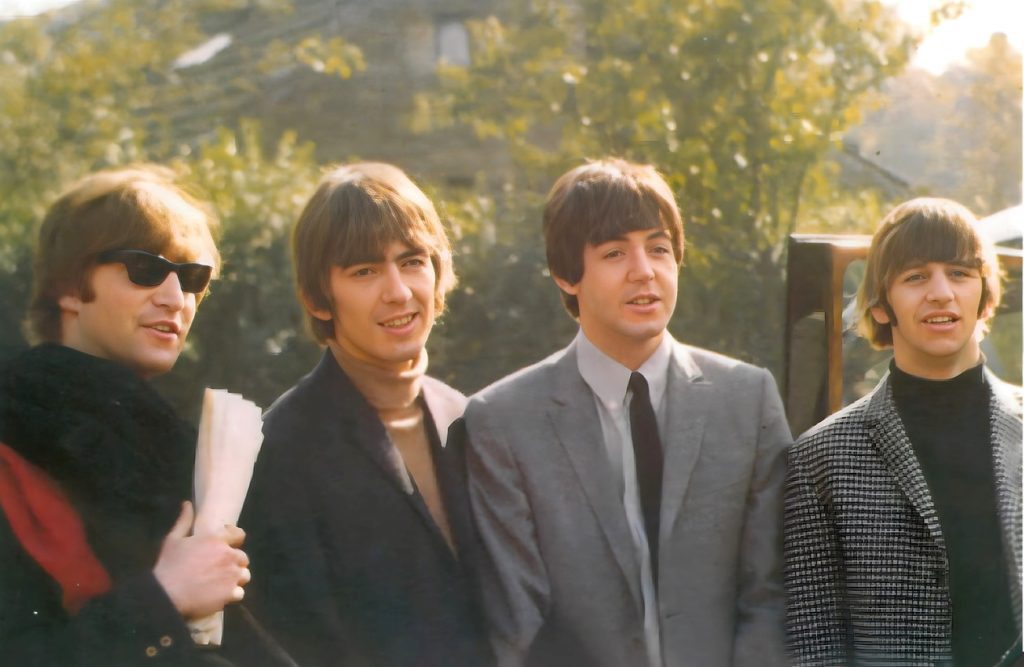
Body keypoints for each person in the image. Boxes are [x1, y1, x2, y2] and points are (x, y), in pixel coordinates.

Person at [457, 158, 791, 667]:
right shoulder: (503, 421)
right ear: (567, 276)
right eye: (615, 252)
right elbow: (518, 620)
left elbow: (771, 591)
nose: (645, 270)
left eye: (659, 248)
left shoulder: (747, 399)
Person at [0, 165, 288, 666]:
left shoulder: (168, 443)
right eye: (145, 269)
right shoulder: (15, 440)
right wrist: (162, 598)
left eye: (194, 279)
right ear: (69, 287)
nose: (176, 299)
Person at [240, 162, 492, 667]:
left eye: (412, 261)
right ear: (318, 297)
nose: (397, 291)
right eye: (365, 271)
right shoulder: (282, 446)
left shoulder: (468, 416)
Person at [784, 197, 1022, 666]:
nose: (940, 293)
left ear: (985, 295)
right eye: (916, 276)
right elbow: (816, 647)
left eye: (958, 273)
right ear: (879, 306)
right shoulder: (821, 458)